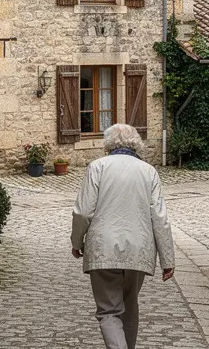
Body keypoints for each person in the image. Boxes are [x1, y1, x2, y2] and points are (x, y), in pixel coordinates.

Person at [71, 123, 175, 349]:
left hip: (102, 247)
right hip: (139, 249)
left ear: (108, 144)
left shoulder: (97, 167)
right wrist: (168, 260)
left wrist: (76, 241)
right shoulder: (148, 171)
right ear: (136, 143)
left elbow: (83, 211)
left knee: (109, 311)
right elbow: (160, 218)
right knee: (129, 307)